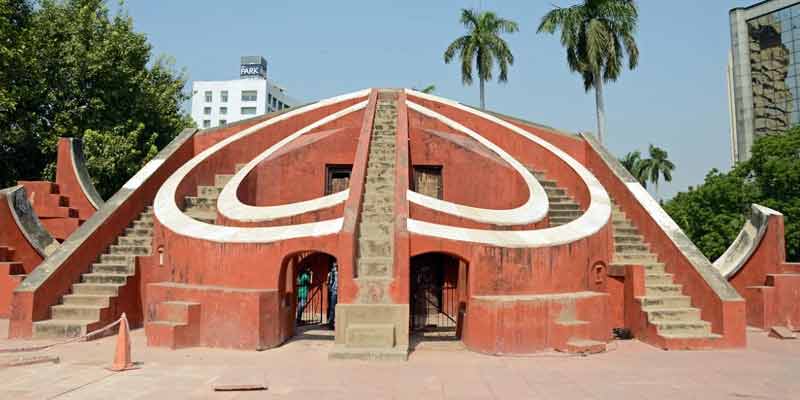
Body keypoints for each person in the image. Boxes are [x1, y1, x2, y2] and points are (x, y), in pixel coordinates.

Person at [326, 261, 338, 329]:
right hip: (334, 291)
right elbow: (328, 282)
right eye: (334, 266)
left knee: (332, 308)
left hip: (335, 291)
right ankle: (331, 323)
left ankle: (331, 323)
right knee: (332, 308)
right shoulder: (331, 273)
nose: (335, 267)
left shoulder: (331, 273)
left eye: (335, 266)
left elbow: (328, 283)